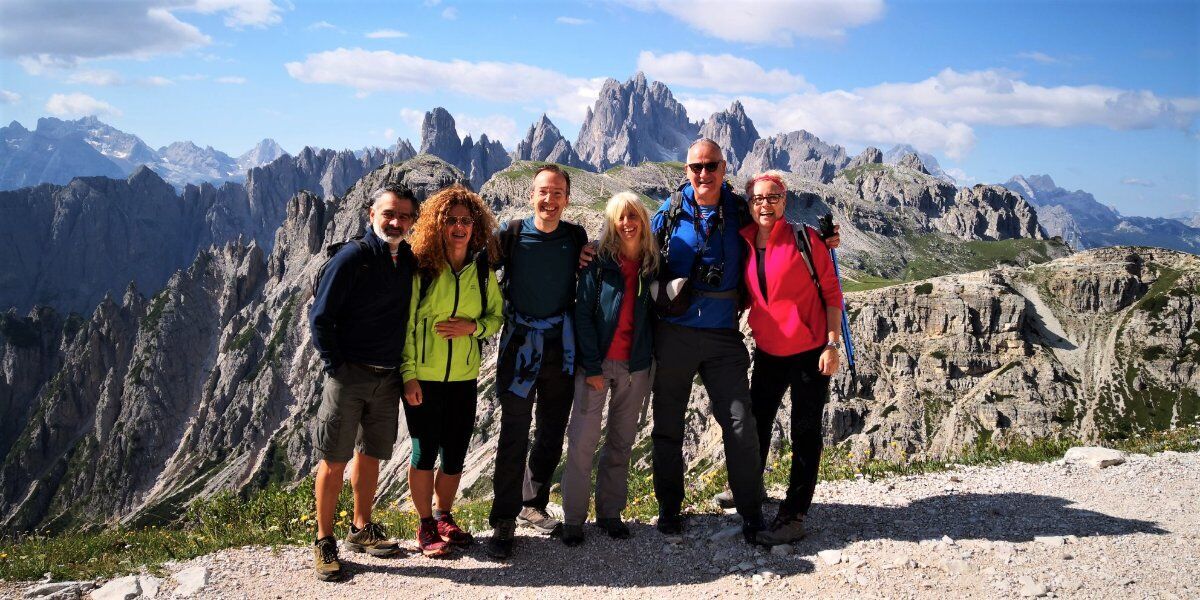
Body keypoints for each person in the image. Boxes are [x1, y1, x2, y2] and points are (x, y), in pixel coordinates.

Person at [649, 138, 765, 544]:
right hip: (674, 333)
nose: (703, 173)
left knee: (738, 422)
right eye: (696, 167)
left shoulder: (740, 210)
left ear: (724, 166)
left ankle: (751, 511)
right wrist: (588, 252)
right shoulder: (669, 212)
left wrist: (826, 242)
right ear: (686, 170)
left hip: (722, 336)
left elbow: (777, 233)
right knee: (667, 424)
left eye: (711, 165)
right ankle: (668, 509)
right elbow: (631, 248)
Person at [308, 185, 417, 581]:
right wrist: (336, 366)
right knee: (335, 458)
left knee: (370, 454)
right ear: (371, 214)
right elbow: (320, 318)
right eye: (389, 213)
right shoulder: (353, 257)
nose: (396, 222)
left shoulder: (406, 259)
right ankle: (323, 539)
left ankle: (360, 528)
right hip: (349, 374)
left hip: (387, 377)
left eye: (404, 216)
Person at [486, 164, 590, 559]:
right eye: (543, 192)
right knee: (513, 430)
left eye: (558, 193)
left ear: (567, 198)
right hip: (519, 346)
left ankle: (533, 503)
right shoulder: (510, 235)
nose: (550, 200)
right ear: (532, 195)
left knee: (550, 429)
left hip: (560, 346)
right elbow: (476, 270)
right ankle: (503, 518)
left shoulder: (575, 236)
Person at [738, 171, 843, 545]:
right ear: (749, 204)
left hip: (810, 352)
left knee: (804, 430)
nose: (765, 204)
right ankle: (752, 493)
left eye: (773, 197)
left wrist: (832, 345)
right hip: (768, 351)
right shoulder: (745, 240)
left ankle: (795, 512)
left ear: (785, 200)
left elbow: (832, 293)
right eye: (758, 199)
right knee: (757, 424)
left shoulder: (806, 238)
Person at [401, 184, 503, 557]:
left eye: (466, 221)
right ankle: (426, 523)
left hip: (463, 378)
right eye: (451, 221)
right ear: (438, 225)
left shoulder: (481, 272)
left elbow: (496, 317)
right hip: (424, 377)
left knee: (456, 452)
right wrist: (408, 374)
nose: (459, 227)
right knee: (424, 451)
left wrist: (471, 328)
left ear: (475, 226)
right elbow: (408, 325)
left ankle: (445, 515)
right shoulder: (424, 269)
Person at [559, 192, 658, 547]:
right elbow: (582, 313)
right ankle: (573, 519)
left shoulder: (652, 262)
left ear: (643, 221)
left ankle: (610, 513)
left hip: (636, 366)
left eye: (633, 216)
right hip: (597, 365)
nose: (628, 223)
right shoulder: (598, 262)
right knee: (583, 443)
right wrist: (591, 365)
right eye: (621, 217)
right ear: (612, 223)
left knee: (621, 442)